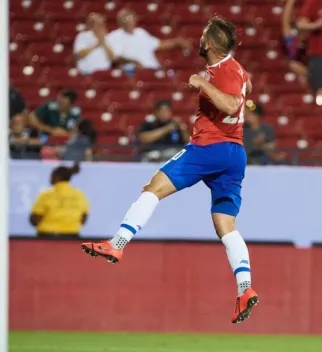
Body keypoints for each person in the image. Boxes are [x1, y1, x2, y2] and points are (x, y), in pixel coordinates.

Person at [82, 16, 259, 324]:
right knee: (224, 225)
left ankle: (117, 244)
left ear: (211, 44)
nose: (199, 40)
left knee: (153, 188)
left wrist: (203, 82)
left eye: (204, 36)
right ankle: (245, 287)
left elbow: (231, 106)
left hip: (210, 148)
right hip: (235, 153)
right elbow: (245, 90)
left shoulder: (221, 70)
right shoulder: (237, 69)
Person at [107, 8, 191, 73]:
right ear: (119, 21)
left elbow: (160, 44)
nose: (128, 22)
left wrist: (177, 42)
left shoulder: (141, 33)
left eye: (130, 18)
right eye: (125, 19)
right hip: (131, 71)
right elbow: (115, 58)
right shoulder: (114, 36)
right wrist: (134, 62)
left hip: (152, 68)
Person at [30, 164, 89, 238]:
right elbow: (84, 218)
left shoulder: (46, 195)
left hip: (47, 237)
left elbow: (34, 220)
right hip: (72, 237)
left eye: (52, 175)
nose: (50, 178)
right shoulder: (80, 195)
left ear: (57, 177)